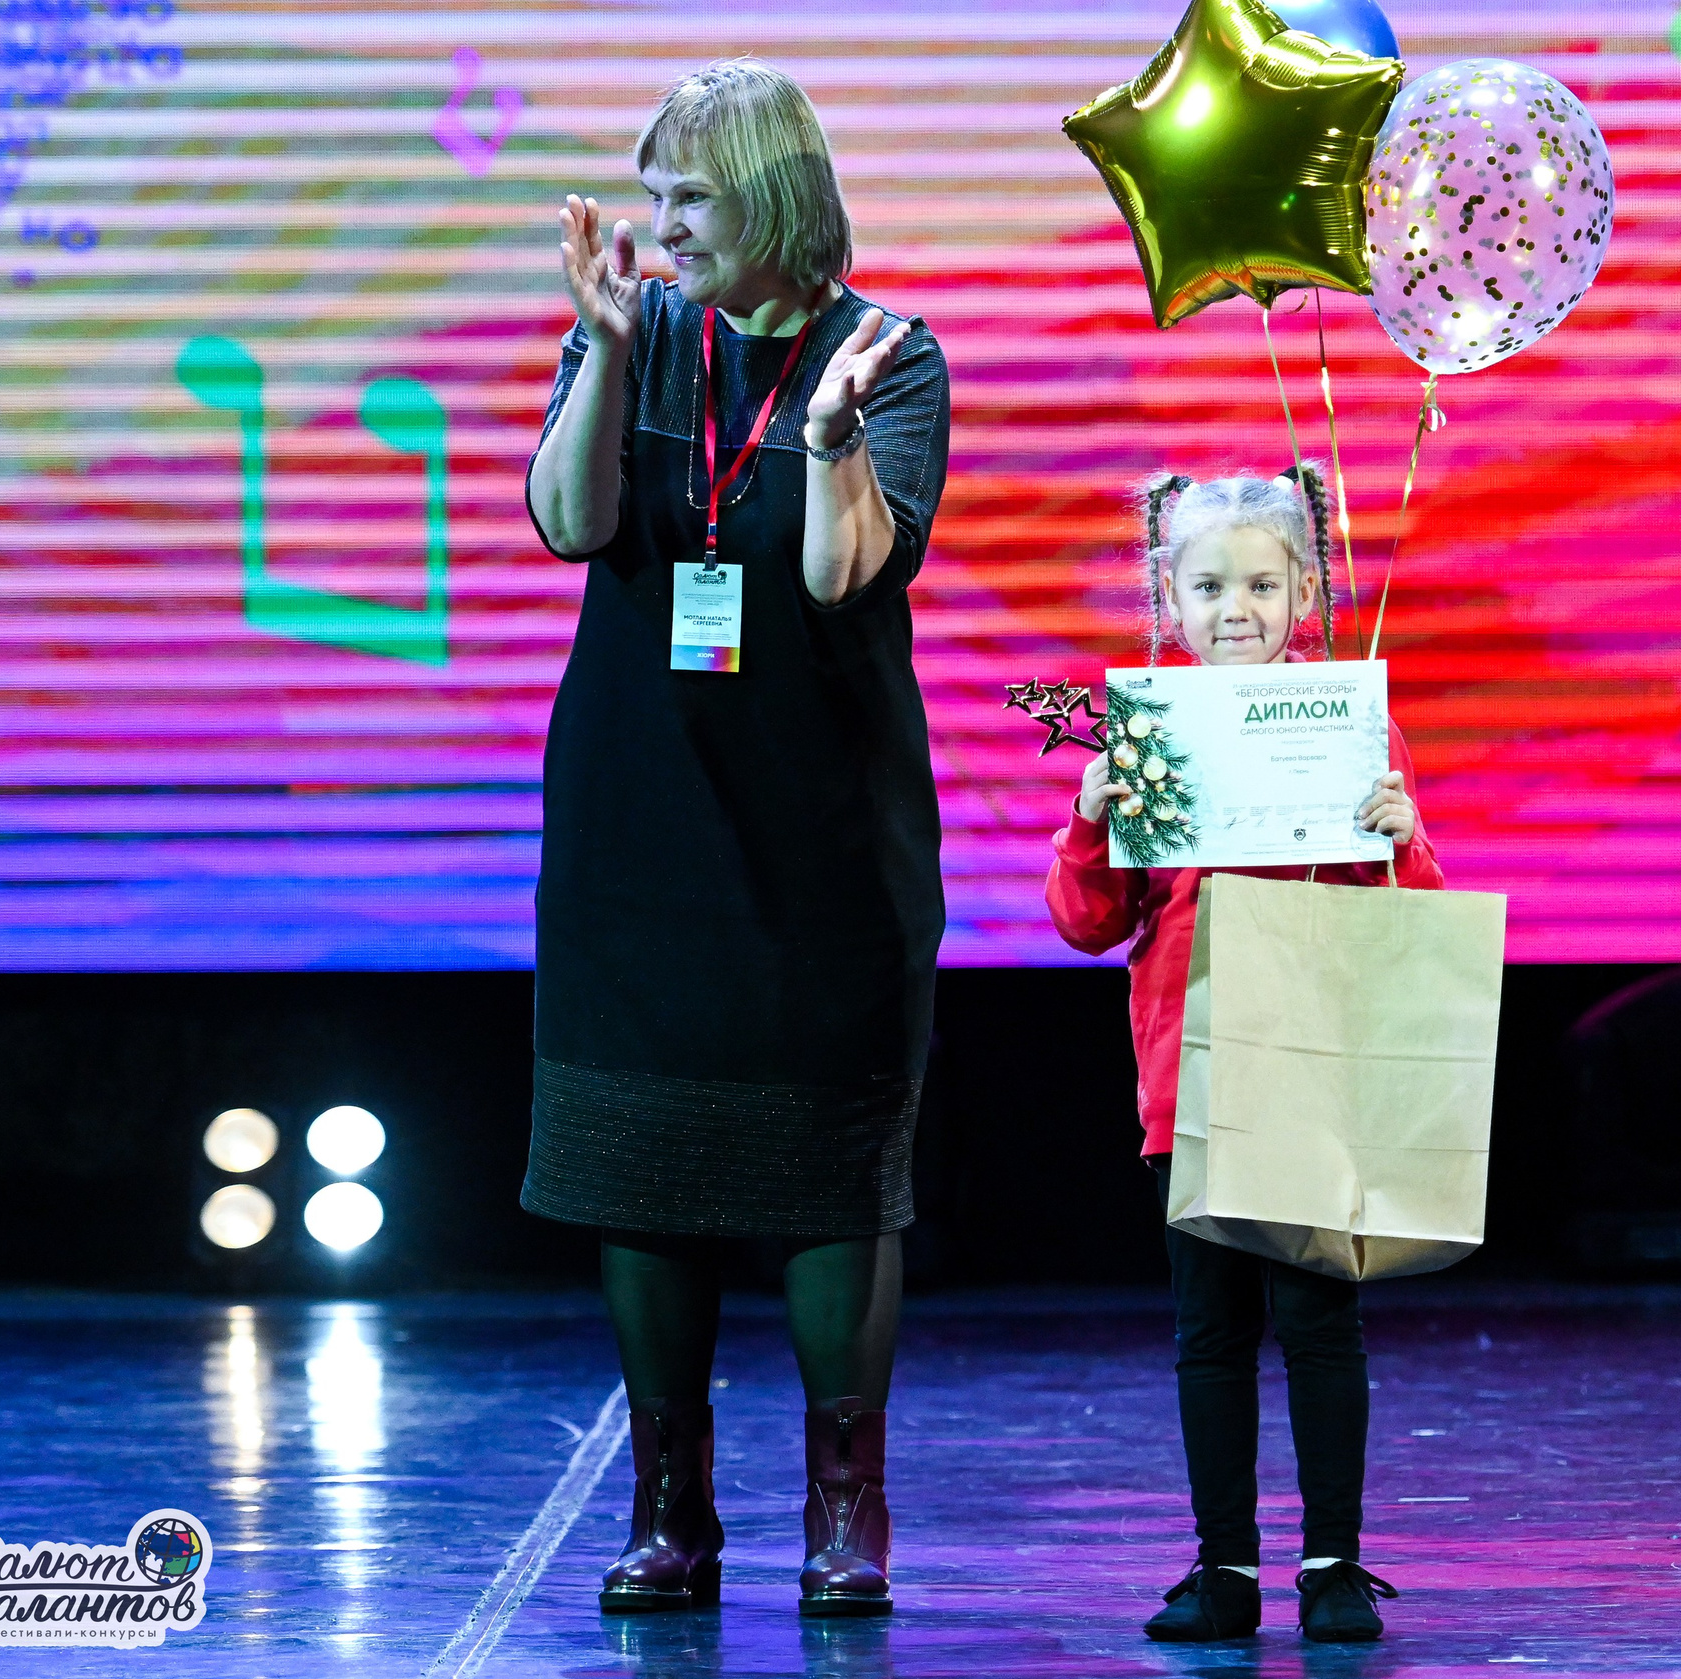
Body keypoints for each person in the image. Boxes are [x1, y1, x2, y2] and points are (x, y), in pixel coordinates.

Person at [521, 57, 950, 1619]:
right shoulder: (635, 334)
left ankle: (847, 1509)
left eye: (686, 197)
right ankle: (672, 1511)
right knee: (640, 1158)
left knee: (834, 1169)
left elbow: (847, 579)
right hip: (644, 815)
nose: (661, 225)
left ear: (768, 193)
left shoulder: (890, 357)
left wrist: (831, 435)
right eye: (651, 197)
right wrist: (603, 354)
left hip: (823, 828)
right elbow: (570, 524)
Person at [1044, 468, 1444, 1643]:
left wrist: (1401, 833)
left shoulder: (1348, 717)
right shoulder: (1150, 730)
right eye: (1209, 583)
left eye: (1262, 583)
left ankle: (1331, 1564)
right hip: (1193, 1085)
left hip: (1312, 1068)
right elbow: (1088, 920)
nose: (1236, 606)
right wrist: (1089, 815)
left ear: (1305, 588)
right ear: (1167, 596)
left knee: (1321, 1326)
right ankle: (1223, 1567)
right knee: (1209, 1333)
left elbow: (1412, 910)